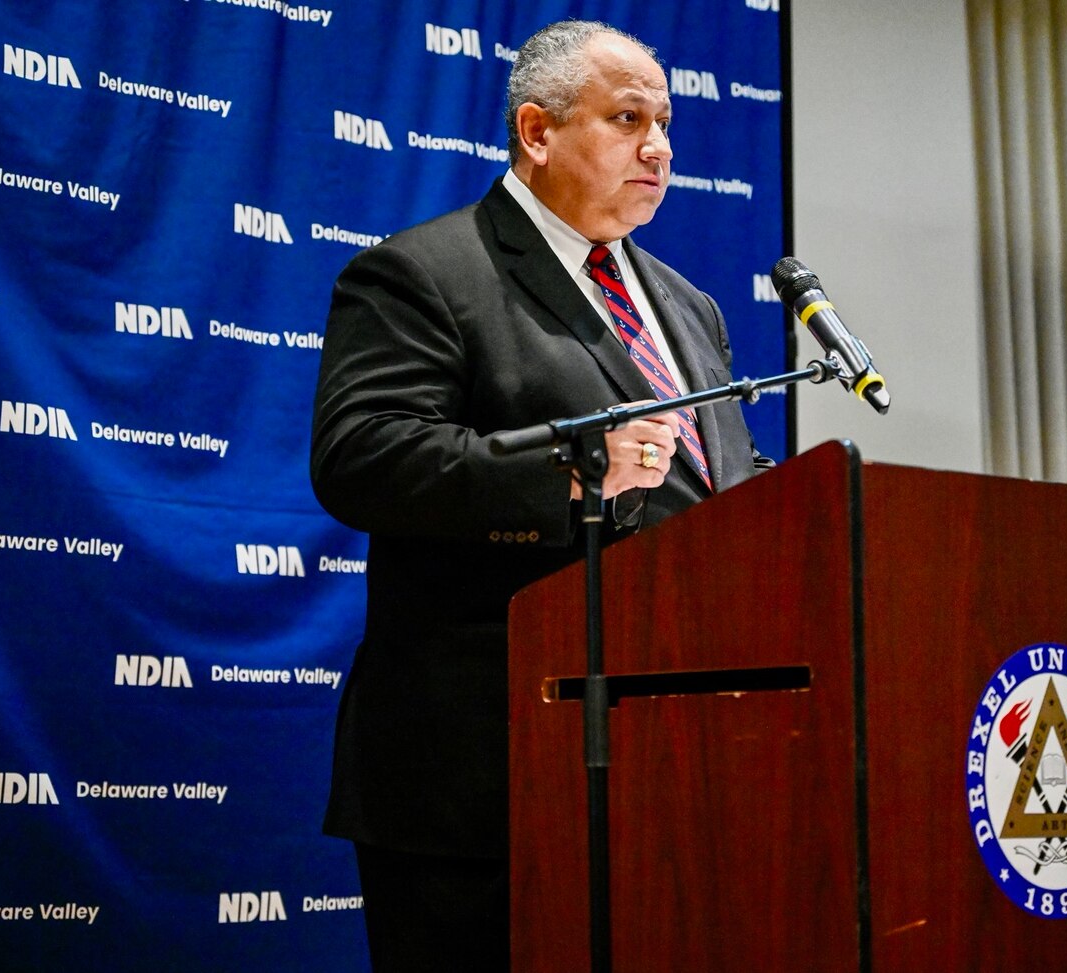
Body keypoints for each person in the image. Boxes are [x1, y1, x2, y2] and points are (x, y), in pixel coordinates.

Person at [310, 19, 769, 971]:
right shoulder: (425, 273)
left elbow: (713, 490)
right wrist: (571, 470)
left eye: (667, 123)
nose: (659, 147)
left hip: (673, 771)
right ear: (537, 131)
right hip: (483, 775)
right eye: (627, 117)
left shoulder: (690, 306)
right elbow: (363, 454)